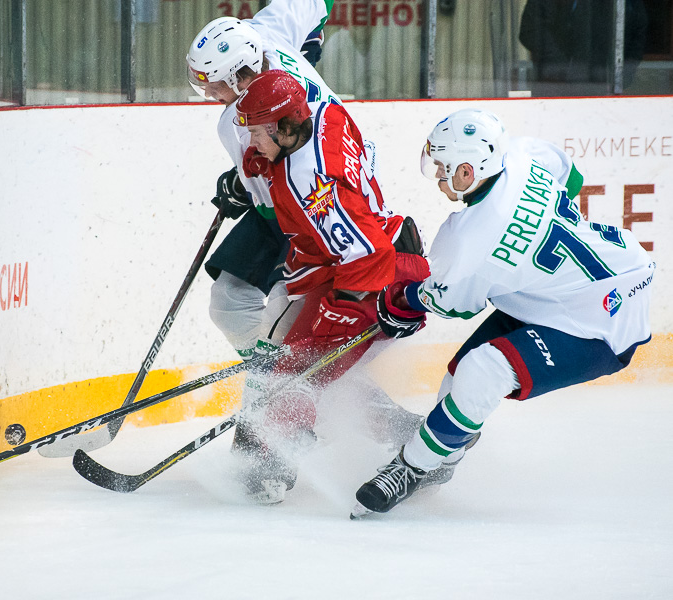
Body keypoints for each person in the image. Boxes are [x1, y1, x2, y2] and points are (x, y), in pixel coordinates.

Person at [352, 108, 655, 517]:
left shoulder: (464, 242)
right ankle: (442, 462)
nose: (439, 176)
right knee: (458, 380)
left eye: (444, 167)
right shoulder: (523, 155)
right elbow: (572, 178)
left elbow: (451, 304)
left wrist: (402, 300)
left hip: (599, 323)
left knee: (482, 372)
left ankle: (411, 467)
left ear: (467, 171)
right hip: (594, 277)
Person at [230, 70, 431, 504]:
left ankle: (270, 465)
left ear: (285, 127)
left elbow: (368, 256)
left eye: (257, 135)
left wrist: (337, 313)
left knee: (296, 372)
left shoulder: (317, 185)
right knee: (323, 376)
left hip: (370, 282)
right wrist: (260, 161)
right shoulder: (322, 113)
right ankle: (417, 436)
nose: (251, 143)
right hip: (369, 258)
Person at [186, 1, 338, 364]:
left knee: (282, 319)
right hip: (313, 188)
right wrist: (244, 181)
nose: (209, 94)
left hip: (320, 211)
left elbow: (273, 215)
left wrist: (243, 185)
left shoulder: (236, 125)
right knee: (228, 304)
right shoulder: (262, 35)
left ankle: (280, 401)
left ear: (242, 76)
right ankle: (278, 384)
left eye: (215, 84)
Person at [519, 0, 648, 96]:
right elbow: (529, 31)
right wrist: (561, 70)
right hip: (556, 90)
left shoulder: (629, 4)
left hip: (605, 92)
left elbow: (638, 34)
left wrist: (622, 77)